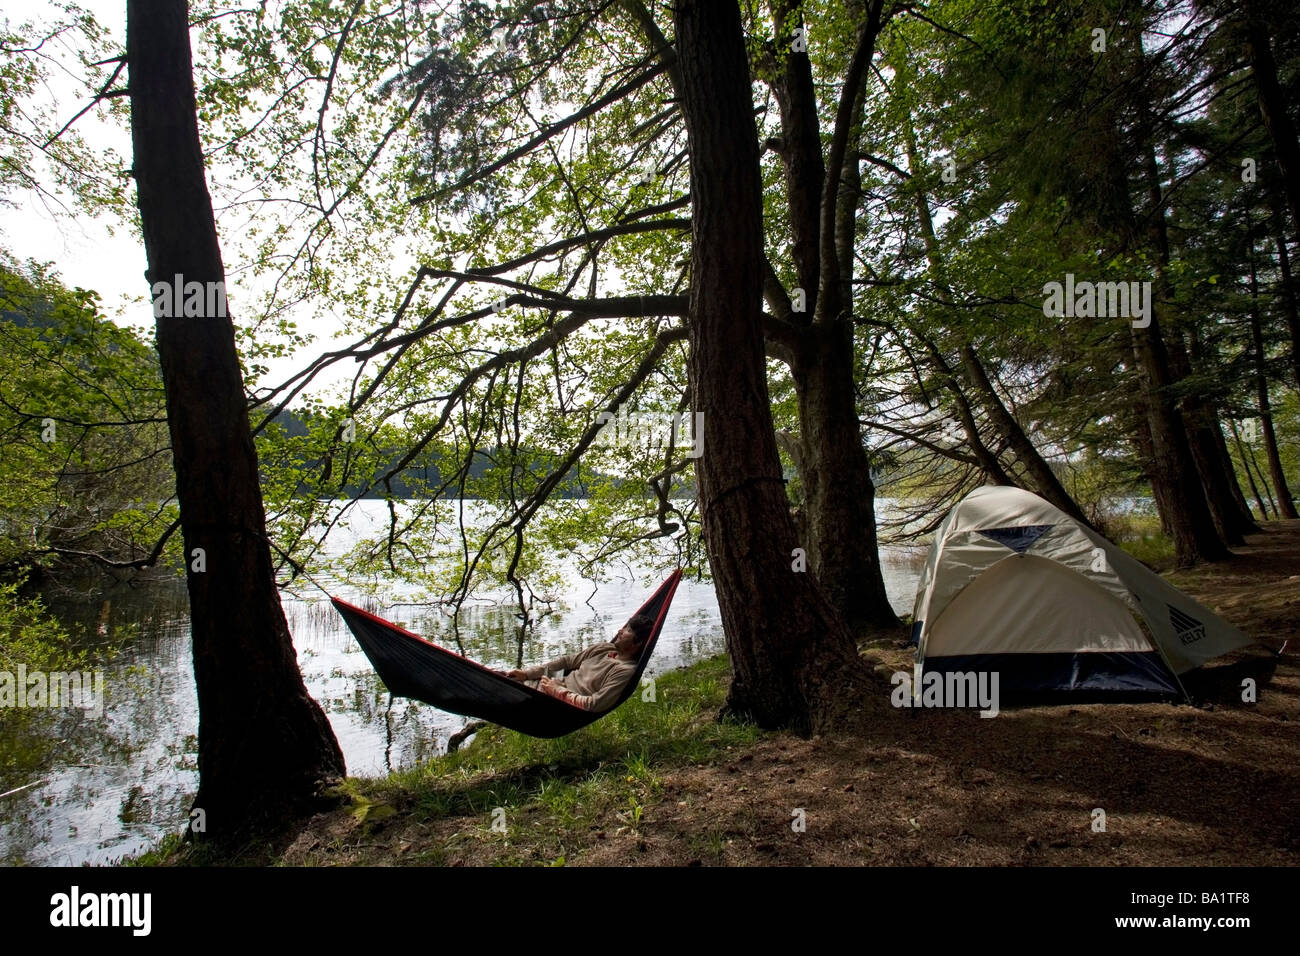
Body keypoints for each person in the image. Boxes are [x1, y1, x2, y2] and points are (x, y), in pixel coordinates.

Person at [501, 610, 656, 711]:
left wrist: (558, 691)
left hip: (555, 704)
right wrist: (526, 673)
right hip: (540, 686)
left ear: (638, 643)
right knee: (501, 678)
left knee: (498, 695)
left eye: (628, 630)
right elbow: (566, 662)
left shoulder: (624, 671)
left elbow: (594, 704)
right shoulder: (604, 649)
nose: (620, 631)